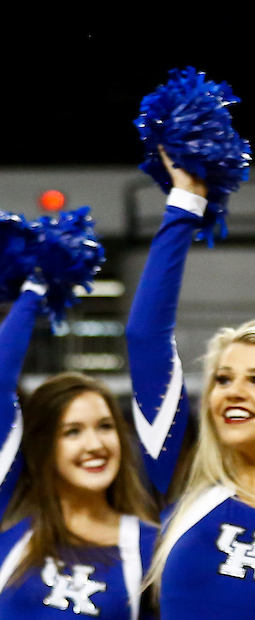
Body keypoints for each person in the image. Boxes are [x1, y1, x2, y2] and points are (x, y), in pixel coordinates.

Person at [0, 280, 158, 619]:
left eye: (105, 426)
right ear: (45, 446)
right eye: (72, 432)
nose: (95, 444)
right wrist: (33, 289)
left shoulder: (150, 545)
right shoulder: (14, 515)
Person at [127, 150, 255, 617]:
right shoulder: (184, 481)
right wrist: (185, 204)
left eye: (254, 379)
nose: (234, 390)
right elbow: (144, 338)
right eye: (223, 378)